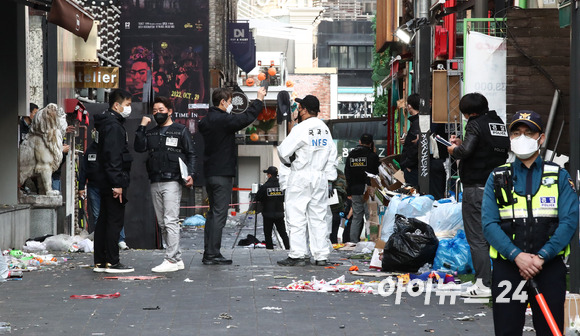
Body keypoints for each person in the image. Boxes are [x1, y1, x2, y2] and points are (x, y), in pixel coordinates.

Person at [482, 110, 578, 336]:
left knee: (550, 330)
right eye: (516, 133)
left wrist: (542, 256)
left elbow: (569, 221)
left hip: (549, 267)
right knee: (507, 330)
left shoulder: (558, 177)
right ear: (510, 138)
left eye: (529, 132)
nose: (522, 137)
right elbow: (489, 224)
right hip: (508, 268)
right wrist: (517, 256)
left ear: (541, 138)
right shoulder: (497, 177)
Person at [446, 92, 510, 297]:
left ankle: (483, 284)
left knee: (477, 237)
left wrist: (453, 149)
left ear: (469, 112)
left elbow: (466, 152)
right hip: (499, 186)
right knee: (498, 234)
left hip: (476, 187)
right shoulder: (498, 123)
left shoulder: (474, 124)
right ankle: (504, 281)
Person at [199, 86, 266, 265]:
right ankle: (212, 254)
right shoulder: (223, 120)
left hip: (209, 172)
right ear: (223, 102)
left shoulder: (205, 121)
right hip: (222, 173)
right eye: (229, 102)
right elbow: (246, 118)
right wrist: (259, 99)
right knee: (219, 214)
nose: (230, 105)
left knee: (213, 213)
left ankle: (209, 251)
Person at [134, 96, 196, 272]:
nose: (157, 114)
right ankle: (176, 258)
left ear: (170, 111)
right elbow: (139, 147)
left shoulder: (180, 130)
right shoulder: (152, 132)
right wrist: (142, 126)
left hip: (172, 181)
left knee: (170, 221)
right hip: (155, 180)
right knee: (162, 223)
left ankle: (170, 259)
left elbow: (191, 153)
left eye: (161, 110)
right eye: (154, 111)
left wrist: (191, 174)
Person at [277, 94, 338, 266]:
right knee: (318, 217)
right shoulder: (324, 129)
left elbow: (283, 151)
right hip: (320, 177)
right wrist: (329, 177)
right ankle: (321, 256)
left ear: (304, 109)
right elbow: (332, 156)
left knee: (296, 215)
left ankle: (298, 254)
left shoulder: (301, 128)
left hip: (301, 175)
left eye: (300, 107)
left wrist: (289, 163)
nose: (298, 111)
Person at [92, 89, 134, 273]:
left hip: (103, 178)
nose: (129, 109)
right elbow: (113, 156)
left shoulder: (106, 124)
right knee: (114, 221)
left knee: (103, 220)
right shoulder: (113, 126)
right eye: (127, 105)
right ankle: (112, 261)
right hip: (113, 180)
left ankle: (101, 261)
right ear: (116, 105)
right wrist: (117, 183)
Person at [78, 132, 130, 250]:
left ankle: (120, 239)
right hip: (94, 186)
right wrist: (81, 187)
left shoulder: (113, 148)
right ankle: (102, 240)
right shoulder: (90, 150)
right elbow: (84, 169)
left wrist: (120, 184)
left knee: (115, 213)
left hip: (111, 186)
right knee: (97, 215)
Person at [345, 133, 379, 243]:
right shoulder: (372, 156)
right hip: (369, 190)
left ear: (359, 142)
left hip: (355, 190)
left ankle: (353, 242)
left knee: (356, 217)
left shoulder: (351, 155)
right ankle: (372, 241)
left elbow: (347, 173)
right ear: (370, 143)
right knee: (371, 218)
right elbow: (377, 173)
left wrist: (349, 190)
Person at [255, 166, 290, 250]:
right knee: (283, 233)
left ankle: (270, 250)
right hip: (279, 213)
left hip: (268, 214)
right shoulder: (281, 186)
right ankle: (288, 248)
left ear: (270, 175)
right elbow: (285, 197)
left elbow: (257, 197)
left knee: (268, 234)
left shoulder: (265, 186)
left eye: (267, 174)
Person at [399, 93, 421, 189]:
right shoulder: (418, 122)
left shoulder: (417, 123)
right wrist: (407, 140)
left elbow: (416, 146)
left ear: (409, 106)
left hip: (413, 169)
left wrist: (408, 165)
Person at [329, 169, 347, 244]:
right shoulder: (338, 172)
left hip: (334, 202)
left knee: (333, 224)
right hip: (335, 202)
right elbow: (344, 189)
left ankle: (333, 243)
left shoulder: (337, 172)